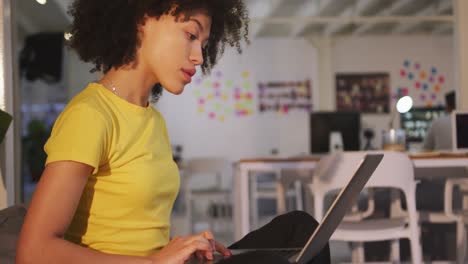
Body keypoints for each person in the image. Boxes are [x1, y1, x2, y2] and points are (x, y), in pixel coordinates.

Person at [16, 1, 330, 264]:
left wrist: (183, 250)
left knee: (302, 229)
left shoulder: (152, 120)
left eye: (204, 45)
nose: (199, 57)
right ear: (142, 18)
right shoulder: (90, 115)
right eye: (191, 35)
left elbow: (138, 229)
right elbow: (33, 251)